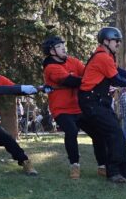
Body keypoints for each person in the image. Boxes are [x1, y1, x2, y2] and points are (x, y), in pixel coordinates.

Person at [77, 26, 126, 184]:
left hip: (99, 102)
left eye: (119, 41)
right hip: (92, 103)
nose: (118, 44)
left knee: (117, 134)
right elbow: (116, 79)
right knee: (116, 135)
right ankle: (114, 172)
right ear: (106, 41)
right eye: (116, 41)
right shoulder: (102, 57)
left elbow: (118, 71)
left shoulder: (107, 57)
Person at [41, 35, 107, 179]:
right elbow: (70, 81)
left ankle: (103, 166)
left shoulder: (73, 61)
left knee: (98, 132)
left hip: (78, 107)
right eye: (59, 46)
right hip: (61, 109)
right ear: (52, 52)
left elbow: (88, 73)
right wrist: (92, 81)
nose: (63, 48)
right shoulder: (50, 68)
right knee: (71, 131)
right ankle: (74, 165)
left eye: (63, 45)